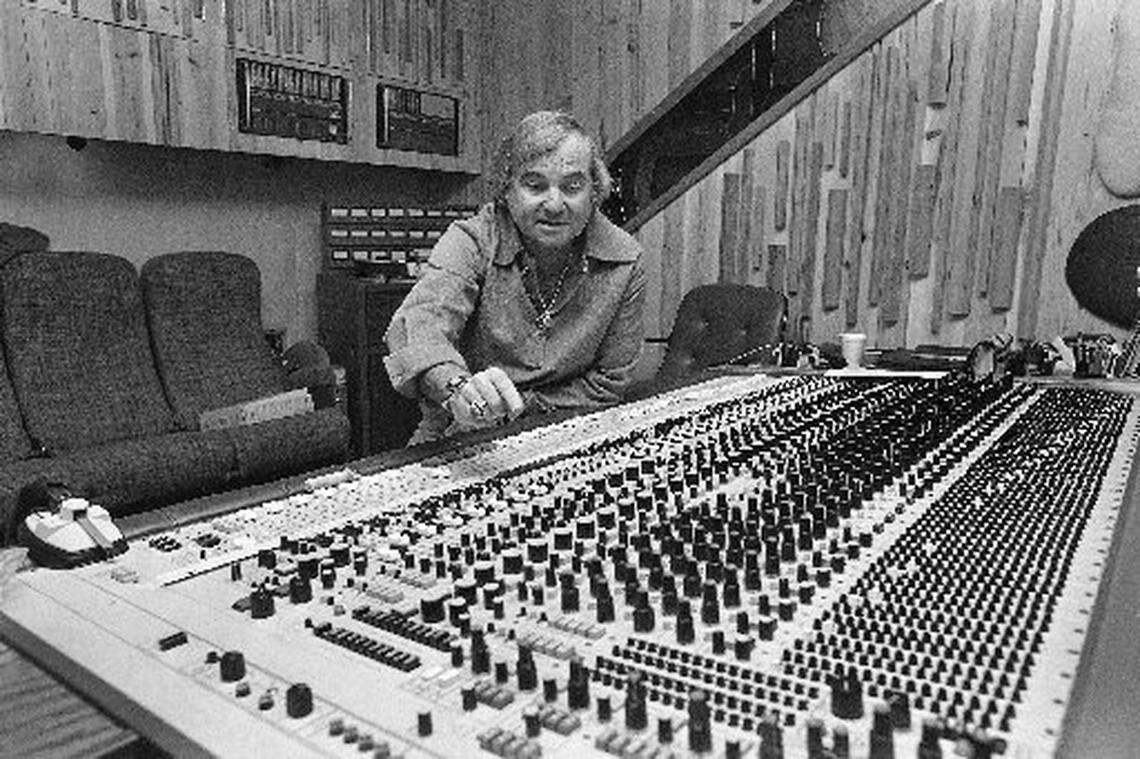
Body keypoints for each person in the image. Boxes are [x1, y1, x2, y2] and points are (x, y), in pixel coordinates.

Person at [384, 110, 648, 444]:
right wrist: (458, 390)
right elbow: (420, 329)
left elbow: (609, 382)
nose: (554, 204)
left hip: (574, 430)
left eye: (572, 186)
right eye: (534, 185)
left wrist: (518, 408)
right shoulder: (471, 240)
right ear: (506, 190)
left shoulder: (627, 260)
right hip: (462, 430)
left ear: (594, 192)